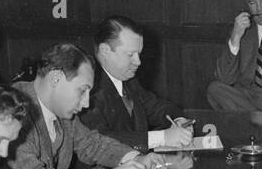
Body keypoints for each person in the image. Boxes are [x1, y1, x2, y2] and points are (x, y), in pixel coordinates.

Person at [10, 43, 161, 169]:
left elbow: (91, 143)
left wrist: (135, 159)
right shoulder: (12, 111)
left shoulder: (60, 109)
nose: (86, 103)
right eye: (82, 90)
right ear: (55, 79)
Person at [80, 15, 195, 152]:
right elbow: (100, 139)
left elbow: (155, 107)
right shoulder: (86, 86)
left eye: (139, 54)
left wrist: (179, 120)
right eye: (130, 54)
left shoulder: (128, 79)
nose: (138, 61)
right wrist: (162, 137)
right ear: (105, 50)